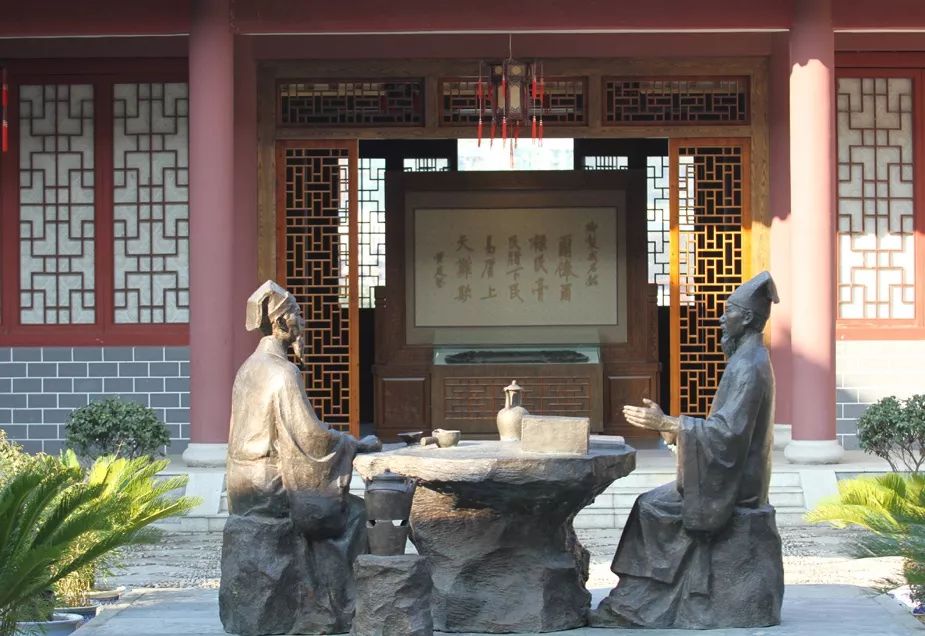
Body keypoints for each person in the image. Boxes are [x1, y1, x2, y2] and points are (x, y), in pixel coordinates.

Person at [591, 271, 784, 629]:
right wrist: (673, 429)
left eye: (728, 311)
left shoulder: (749, 366)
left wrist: (668, 423)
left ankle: (648, 596)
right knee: (651, 502)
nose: (722, 319)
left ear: (746, 318)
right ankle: (646, 592)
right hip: (733, 470)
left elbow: (728, 434)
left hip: (738, 482)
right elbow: (724, 431)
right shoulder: (748, 359)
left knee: (650, 506)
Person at [220, 280, 380, 636]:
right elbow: (311, 437)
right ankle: (337, 608)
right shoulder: (283, 373)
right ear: (280, 322)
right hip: (269, 486)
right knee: (355, 515)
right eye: (297, 315)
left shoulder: (248, 367)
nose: (302, 323)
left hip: (241, 483)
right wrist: (351, 444)